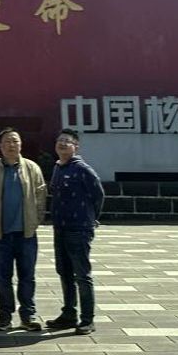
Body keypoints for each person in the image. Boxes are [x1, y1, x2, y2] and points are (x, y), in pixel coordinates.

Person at [0, 127, 47, 332]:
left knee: (27, 276)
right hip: (1, 234)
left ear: (21, 144)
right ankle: (4, 316)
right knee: (2, 277)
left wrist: (36, 220)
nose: (12, 145)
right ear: (0, 146)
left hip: (26, 234)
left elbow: (41, 196)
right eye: (7, 141)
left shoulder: (32, 168)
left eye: (15, 141)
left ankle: (28, 315)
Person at [45, 130, 104, 335]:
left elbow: (98, 194)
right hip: (60, 228)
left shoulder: (82, 169)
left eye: (67, 141)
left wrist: (91, 218)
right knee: (64, 272)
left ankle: (87, 319)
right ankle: (69, 314)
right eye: (59, 140)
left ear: (76, 147)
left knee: (82, 275)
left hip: (78, 229)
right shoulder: (58, 168)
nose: (62, 144)